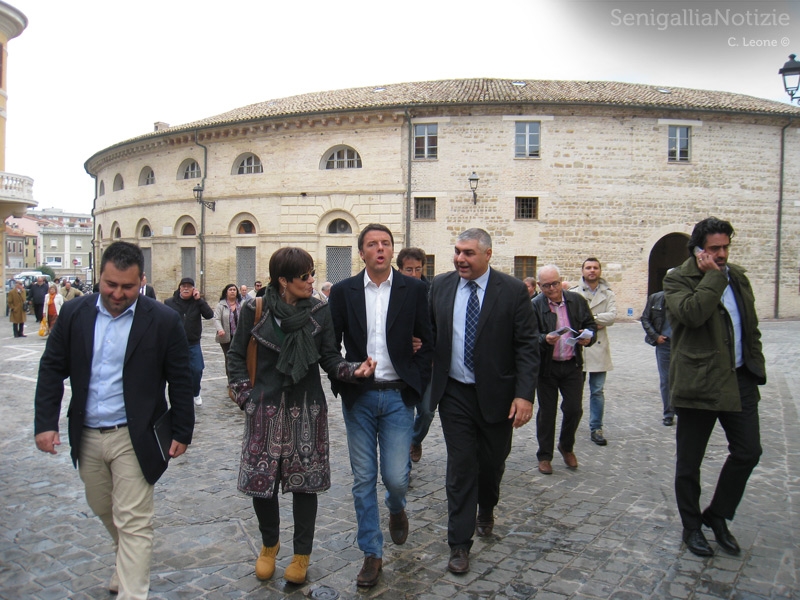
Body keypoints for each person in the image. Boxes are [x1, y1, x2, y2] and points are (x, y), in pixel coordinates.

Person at [34, 241, 195, 599]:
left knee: (134, 520)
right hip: (88, 432)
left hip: (134, 435)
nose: (118, 294)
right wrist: (45, 422)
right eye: (110, 285)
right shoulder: (75, 314)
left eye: (127, 287)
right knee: (103, 506)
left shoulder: (163, 320)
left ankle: (132, 590)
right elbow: (51, 369)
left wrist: (183, 429)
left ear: (142, 281)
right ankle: (126, 561)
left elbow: (180, 380)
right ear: (100, 277)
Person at [227, 248, 376, 584]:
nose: (311, 281)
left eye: (312, 274)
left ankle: (301, 555)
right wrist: (245, 397)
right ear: (283, 280)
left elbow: (329, 358)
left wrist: (355, 370)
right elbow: (236, 356)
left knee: (304, 485)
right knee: (261, 483)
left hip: (306, 409)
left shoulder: (320, 311)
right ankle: (269, 545)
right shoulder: (256, 308)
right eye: (305, 276)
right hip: (263, 409)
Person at [428, 228, 539, 574]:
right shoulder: (441, 286)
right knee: (461, 467)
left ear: (487, 254)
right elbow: (430, 332)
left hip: (498, 396)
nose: (460, 258)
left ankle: (487, 506)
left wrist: (524, 395)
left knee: (491, 464)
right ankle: (459, 544)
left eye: (469, 253)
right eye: (457, 251)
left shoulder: (512, 291)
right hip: (455, 393)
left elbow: (527, 346)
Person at [328, 224, 433, 588]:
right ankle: (371, 552)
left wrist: (416, 380)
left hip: (398, 395)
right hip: (360, 396)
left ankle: (396, 506)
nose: (380, 249)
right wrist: (347, 371)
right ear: (361, 253)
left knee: (395, 477)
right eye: (372, 244)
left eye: (385, 243)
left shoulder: (414, 289)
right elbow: (330, 346)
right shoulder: (343, 292)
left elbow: (428, 341)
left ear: (392, 250)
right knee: (362, 479)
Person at [663, 217, 765, 558]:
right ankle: (691, 527)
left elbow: (750, 325)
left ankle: (717, 515)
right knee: (689, 464)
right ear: (698, 251)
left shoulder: (738, 276)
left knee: (749, 451)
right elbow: (692, 315)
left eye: (725, 247)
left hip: (740, 380)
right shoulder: (678, 278)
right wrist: (712, 279)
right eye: (714, 249)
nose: (721, 254)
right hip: (698, 382)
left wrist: (755, 364)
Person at [532, 265, 596, 475]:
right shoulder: (534, 305)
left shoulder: (576, 301)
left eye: (555, 283)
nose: (552, 289)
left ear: (562, 281)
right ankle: (544, 455)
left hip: (571, 364)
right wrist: (543, 339)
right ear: (540, 286)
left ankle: (566, 446)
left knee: (574, 409)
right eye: (547, 285)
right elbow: (528, 336)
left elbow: (590, 324)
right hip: (547, 368)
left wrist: (588, 337)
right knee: (547, 413)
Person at [570, 258, 616, 445]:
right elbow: (572, 319)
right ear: (582, 270)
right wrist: (595, 322)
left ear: (600, 271)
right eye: (588, 267)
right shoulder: (573, 293)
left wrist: (589, 320)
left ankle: (596, 427)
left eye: (595, 267)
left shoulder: (608, 293)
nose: (592, 271)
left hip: (598, 347)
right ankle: (572, 424)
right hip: (579, 347)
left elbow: (612, 316)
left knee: (597, 391)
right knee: (575, 392)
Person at [396, 247, 434, 464]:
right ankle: (404, 467)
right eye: (408, 269)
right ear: (400, 269)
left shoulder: (431, 292)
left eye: (417, 269)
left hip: (426, 363)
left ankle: (415, 440)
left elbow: (438, 326)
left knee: (427, 411)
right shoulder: (392, 291)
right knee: (403, 416)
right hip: (401, 365)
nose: (413, 274)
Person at [164, 277, 213, 406]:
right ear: (179, 288)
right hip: (176, 343)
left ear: (193, 289)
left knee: (197, 370)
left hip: (193, 343)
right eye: (183, 286)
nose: (186, 288)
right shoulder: (169, 302)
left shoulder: (197, 302)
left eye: (189, 286)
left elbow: (209, 315)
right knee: (175, 372)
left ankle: (196, 392)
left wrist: (200, 300)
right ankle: (179, 397)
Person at [641, 290, 674, 426]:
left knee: (683, 378)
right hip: (665, 344)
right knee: (666, 379)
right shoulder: (656, 298)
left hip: (684, 344)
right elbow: (645, 318)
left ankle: (683, 410)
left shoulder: (687, 297)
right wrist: (655, 336)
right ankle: (669, 413)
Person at [212, 283, 241, 378]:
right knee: (229, 358)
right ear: (226, 292)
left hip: (239, 336)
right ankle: (230, 378)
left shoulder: (242, 304)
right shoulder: (221, 305)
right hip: (226, 337)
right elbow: (216, 319)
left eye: (234, 290)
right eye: (230, 290)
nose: (232, 291)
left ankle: (240, 377)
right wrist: (220, 329)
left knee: (240, 357)